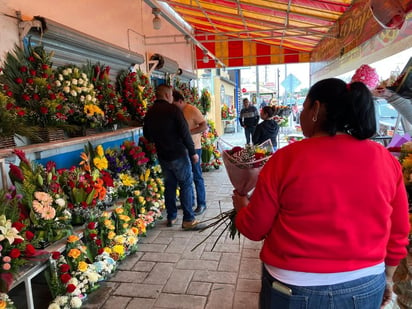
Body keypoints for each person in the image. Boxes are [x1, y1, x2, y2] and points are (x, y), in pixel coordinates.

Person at [232, 78, 410, 309]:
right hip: (365, 282)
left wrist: (241, 207)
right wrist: (386, 277)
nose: (301, 114)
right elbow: (398, 230)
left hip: (292, 287)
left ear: (315, 109)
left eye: (305, 107)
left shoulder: (286, 159)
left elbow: (255, 228)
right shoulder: (384, 159)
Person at [143, 84, 201, 230]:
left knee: (169, 186)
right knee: (186, 184)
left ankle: (172, 216)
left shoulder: (150, 113)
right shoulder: (173, 110)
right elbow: (185, 133)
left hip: (163, 155)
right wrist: (193, 152)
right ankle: (188, 220)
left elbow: (147, 136)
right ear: (168, 95)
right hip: (178, 154)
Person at [173, 89, 208, 215]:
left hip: (194, 148)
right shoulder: (175, 112)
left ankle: (202, 203)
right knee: (184, 177)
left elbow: (204, 126)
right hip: (181, 149)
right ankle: (189, 202)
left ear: (180, 101)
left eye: (174, 103)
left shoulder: (192, 110)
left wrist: (187, 134)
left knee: (197, 176)